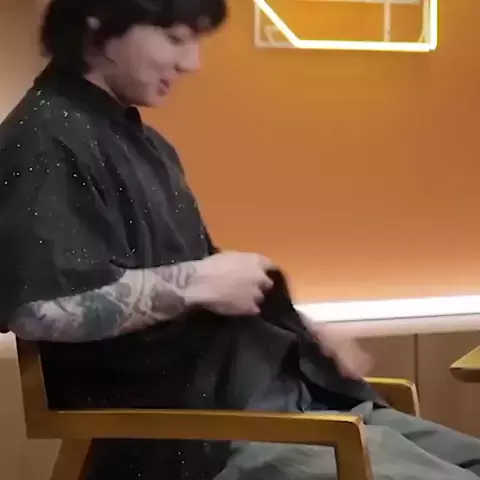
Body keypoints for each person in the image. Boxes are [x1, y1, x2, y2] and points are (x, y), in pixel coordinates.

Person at [0, 1, 479, 479]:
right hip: (208, 436)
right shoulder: (44, 140)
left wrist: (303, 330)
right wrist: (197, 281)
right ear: (96, 26)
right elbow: (39, 308)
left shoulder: (143, 144)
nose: (191, 63)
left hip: (281, 400)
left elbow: (205, 285)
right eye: (176, 39)